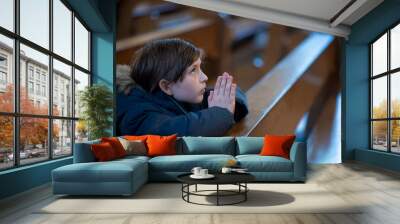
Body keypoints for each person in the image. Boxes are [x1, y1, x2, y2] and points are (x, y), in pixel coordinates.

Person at [116, 38, 248, 137]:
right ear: (166, 86)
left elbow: (235, 92)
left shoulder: (177, 95)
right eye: (193, 70)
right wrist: (221, 113)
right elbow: (182, 132)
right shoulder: (138, 116)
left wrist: (228, 104)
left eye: (199, 67)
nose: (205, 77)